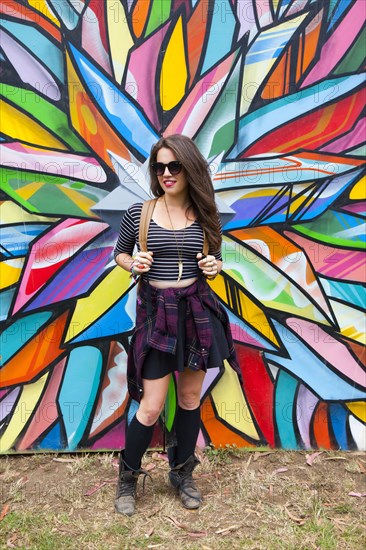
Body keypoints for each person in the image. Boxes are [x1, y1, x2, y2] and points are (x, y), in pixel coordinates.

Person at [113, 134, 241, 516]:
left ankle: (182, 473)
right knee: (150, 407)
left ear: (189, 168)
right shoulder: (141, 213)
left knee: (188, 399)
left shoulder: (206, 216)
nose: (166, 173)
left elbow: (214, 262)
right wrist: (132, 264)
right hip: (157, 315)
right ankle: (127, 478)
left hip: (195, 312)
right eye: (159, 167)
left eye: (174, 166)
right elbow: (120, 254)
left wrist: (214, 266)